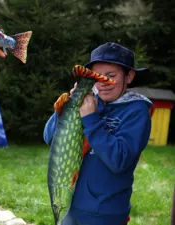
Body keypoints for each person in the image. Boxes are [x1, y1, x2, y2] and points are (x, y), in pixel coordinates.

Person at [44, 42, 152, 225]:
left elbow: (119, 160)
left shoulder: (137, 112)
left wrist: (91, 120)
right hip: (70, 206)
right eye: (98, 77)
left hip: (105, 214)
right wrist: (66, 110)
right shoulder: (88, 101)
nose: (103, 83)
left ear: (130, 76)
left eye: (111, 76)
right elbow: (50, 139)